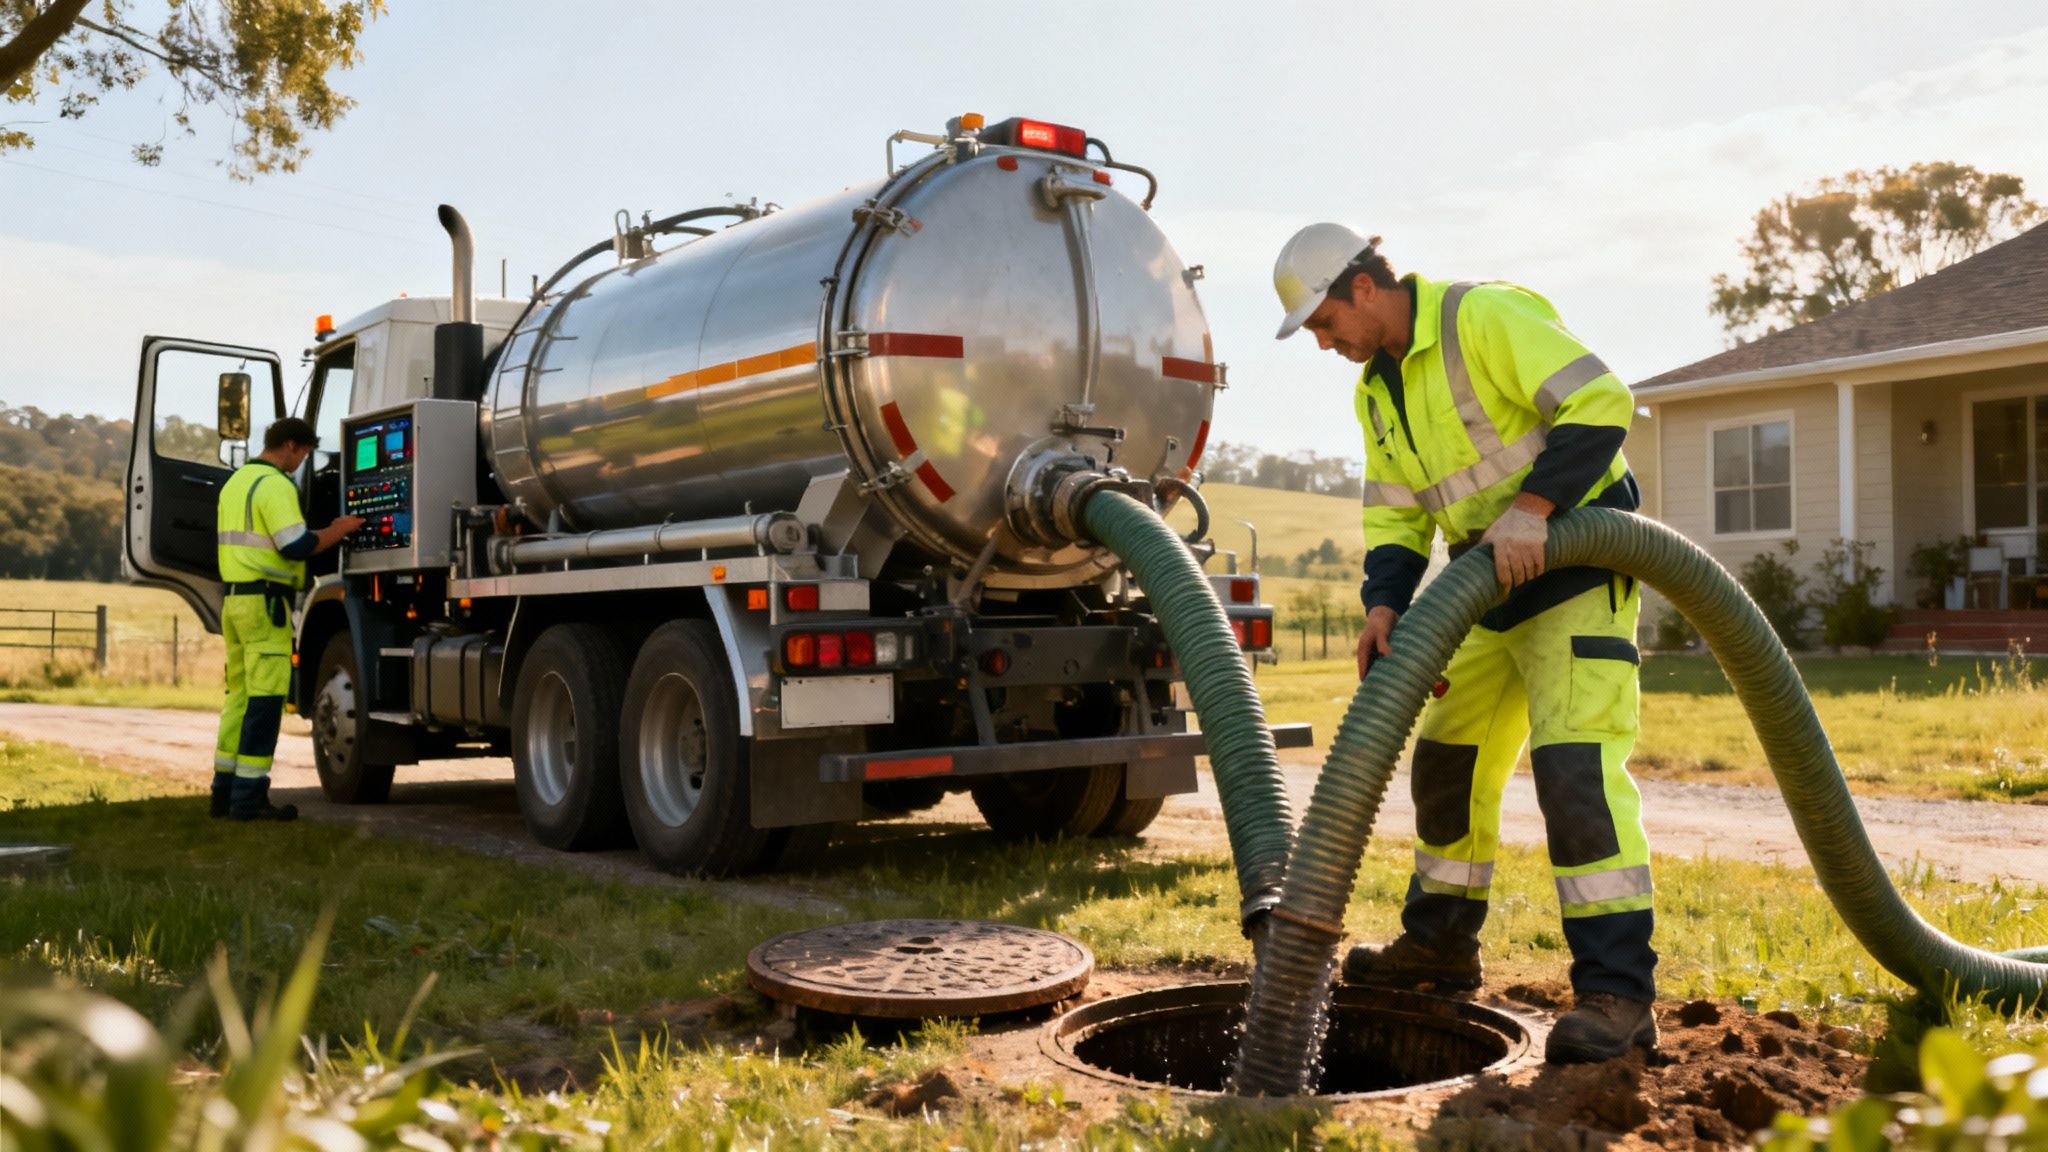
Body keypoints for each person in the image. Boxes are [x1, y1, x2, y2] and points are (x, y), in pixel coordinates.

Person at [1272, 225, 1655, 1063]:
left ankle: (1618, 993)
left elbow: (1602, 402)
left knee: (1574, 772)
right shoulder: (1376, 391)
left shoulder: (1481, 318)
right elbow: (1397, 513)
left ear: (1364, 287)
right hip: (1486, 583)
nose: (1326, 343)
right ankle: (1441, 948)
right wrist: (1383, 606)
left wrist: (1536, 509)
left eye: (1326, 322)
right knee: (1446, 763)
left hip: (1576, 564)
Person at [214, 418, 362, 821]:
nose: (302, 464)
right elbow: (296, 545)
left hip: (236, 601)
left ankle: (223, 792)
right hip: (266, 605)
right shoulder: (276, 485)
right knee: (265, 700)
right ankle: (249, 798)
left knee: (239, 698)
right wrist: (339, 529)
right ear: (292, 446)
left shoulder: (236, 483)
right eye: (304, 455)